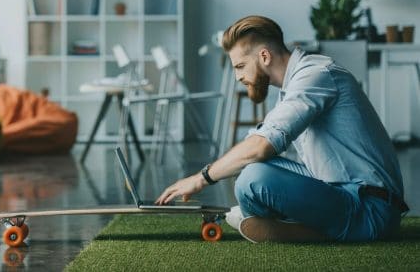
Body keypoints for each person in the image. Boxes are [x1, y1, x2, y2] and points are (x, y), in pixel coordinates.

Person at [155, 15, 408, 243]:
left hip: (370, 209)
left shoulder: (316, 74)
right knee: (247, 173)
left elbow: (262, 146)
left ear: (264, 56)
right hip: (339, 191)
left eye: (240, 66)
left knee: (253, 178)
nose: (237, 77)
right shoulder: (293, 85)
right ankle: (300, 225)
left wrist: (201, 178)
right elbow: (256, 142)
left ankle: (311, 231)